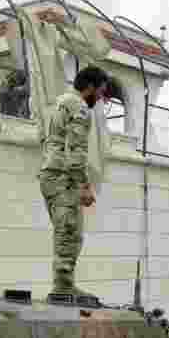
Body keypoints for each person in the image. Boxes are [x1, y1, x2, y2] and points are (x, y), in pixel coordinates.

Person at [39, 65, 109, 298]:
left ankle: (64, 284)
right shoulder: (79, 108)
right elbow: (76, 152)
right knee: (69, 232)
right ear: (90, 87)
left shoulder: (60, 103)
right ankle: (63, 287)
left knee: (68, 232)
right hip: (63, 179)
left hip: (50, 175)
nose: (101, 97)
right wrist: (85, 186)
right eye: (100, 91)